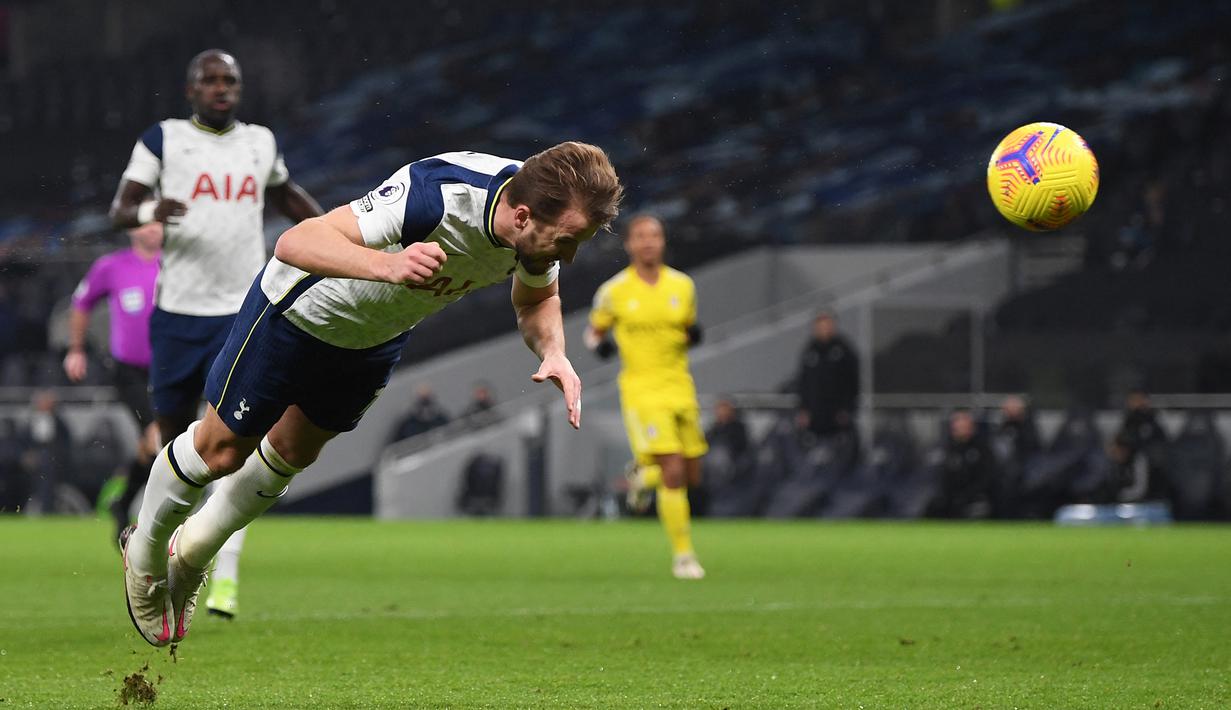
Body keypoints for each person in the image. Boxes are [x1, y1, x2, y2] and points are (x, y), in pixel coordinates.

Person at [119, 141, 622, 647]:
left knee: (292, 452)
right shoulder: (439, 194)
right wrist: (390, 266)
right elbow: (296, 242)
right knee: (222, 452)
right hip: (298, 313)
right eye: (568, 240)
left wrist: (553, 351)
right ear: (521, 215)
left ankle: (190, 555)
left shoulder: (536, 228)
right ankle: (143, 555)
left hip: (374, 338)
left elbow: (538, 297)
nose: (570, 254)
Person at [109, 49, 324, 620]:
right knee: (172, 439)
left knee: (236, 442)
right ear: (191, 89)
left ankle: (218, 571)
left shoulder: (260, 142)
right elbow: (121, 210)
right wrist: (155, 207)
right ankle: (154, 544)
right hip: (178, 312)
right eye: (211, 80)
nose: (222, 88)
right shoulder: (163, 139)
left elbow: (285, 196)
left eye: (230, 80)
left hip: (244, 309)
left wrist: (336, 229)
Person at [585, 214, 708, 580]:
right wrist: (602, 349)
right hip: (642, 389)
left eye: (654, 235)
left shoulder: (683, 286)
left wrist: (693, 335)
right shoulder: (614, 291)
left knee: (691, 473)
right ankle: (684, 557)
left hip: (680, 386)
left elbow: (689, 327)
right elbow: (593, 334)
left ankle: (641, 479)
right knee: (672, 469)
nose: (649, 242)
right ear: (629, 244)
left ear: (663, 241)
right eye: (641, 236)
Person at [64, 222, 162, 544]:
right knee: (159, 438)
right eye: (146, 222)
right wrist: (76, 349)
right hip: (129, 372)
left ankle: (122, 502)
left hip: (170, 369)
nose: (153, 229)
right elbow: (81, 303)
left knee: (152, 446)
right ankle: (157, 518)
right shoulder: (111, 266)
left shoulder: (177, 264)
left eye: (158, 221)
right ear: (133, 228)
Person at [795, 311, 859, 440]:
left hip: (838, 416)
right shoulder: (810, 350)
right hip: (815, 416)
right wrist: (803, 409)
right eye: (820, 326)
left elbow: (853, 382)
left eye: (827, 325)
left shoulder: (843, 349)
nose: (824, 329)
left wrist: (847, 409)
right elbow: (803, 383)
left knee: (841, 452)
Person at [937, 409, 996, 519]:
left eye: (963, 425)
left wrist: (967, 495)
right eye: (957, 425)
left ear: (971, 427)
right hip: (951, 499)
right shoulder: (947, 449)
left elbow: (986, 478)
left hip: (976, 498)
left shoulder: (982, 449)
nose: (959, 428)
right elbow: (942, 477)